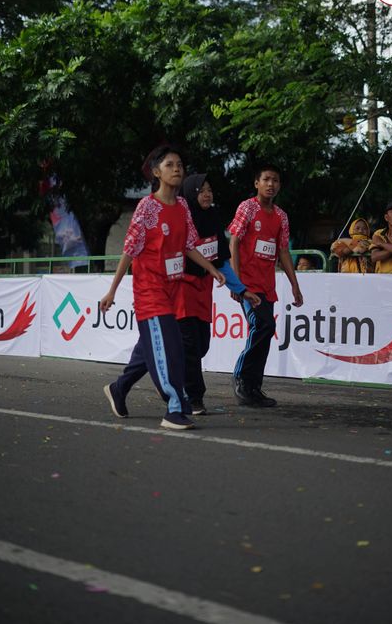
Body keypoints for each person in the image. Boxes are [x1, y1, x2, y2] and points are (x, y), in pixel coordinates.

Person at [100, 146, 225, 431]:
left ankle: (119, 388)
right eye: (170, 165)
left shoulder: (182, 206)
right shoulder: (147, 207)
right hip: (150, 291)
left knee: (158, 348)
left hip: (173, 290)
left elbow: (189, 245)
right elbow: (130, 250)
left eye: (180, 164)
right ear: (157, 172)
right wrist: (112, 290)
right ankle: (174, 408)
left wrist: (211, 269)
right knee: (170, 351)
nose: (177, 168)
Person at [176, 174, 261, 415]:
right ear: (190, 193)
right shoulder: (182, 219)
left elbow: (221, 260)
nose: (207, 194)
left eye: (209, 190)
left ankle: (177, 376)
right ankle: (194, 397)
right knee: (190, 346)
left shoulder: (213, 216)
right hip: (182, 288)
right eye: (201, 190)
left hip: (204, 289)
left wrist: (242, 290)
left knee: (201, 346)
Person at [228, 164, 304, 407]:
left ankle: (253, 387)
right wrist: (236, 282)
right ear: (257, 183)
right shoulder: (248, 207)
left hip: (267, 286)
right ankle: (240, 377)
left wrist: (295, 285)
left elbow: (283, 251)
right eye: (266, 179)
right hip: (248, 284)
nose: (271, 184)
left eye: (275, 180)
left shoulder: (281, 216)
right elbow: (234, 242)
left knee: (266, 331)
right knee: (262, 325)